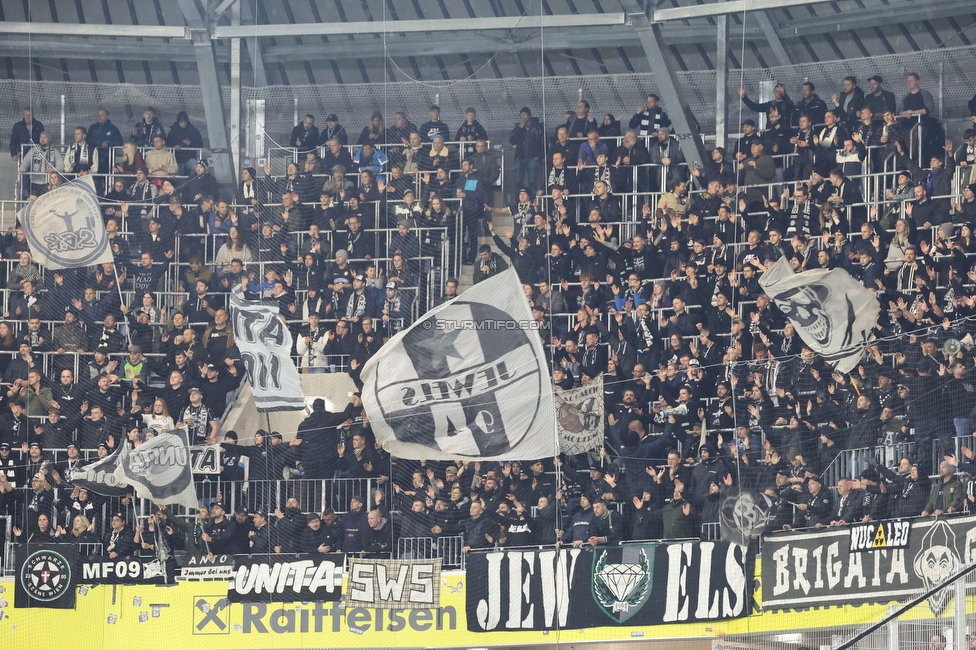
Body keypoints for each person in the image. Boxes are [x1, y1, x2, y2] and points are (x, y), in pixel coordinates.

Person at [296, 394, 362, 480]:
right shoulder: (329, 418)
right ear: (324, 407)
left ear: (313, 408)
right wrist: (351, 402)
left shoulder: (303, 424)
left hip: (309, 460)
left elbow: (298, 443)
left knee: (310, 486)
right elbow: (345, 415)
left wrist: (297, 459)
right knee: (326, 485)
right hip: (327, 459)